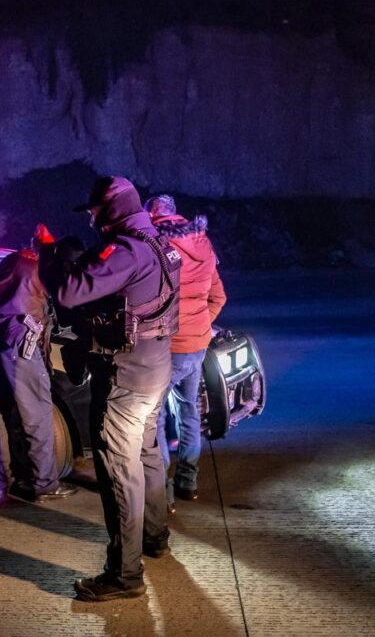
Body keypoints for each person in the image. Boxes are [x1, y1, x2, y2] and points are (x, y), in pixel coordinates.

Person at [40, 176, 181, 602]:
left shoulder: (125, 251)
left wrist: (48, 251)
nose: (92, 219)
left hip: (126, 373)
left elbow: (67, 290)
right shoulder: (158, 241)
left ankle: (124, 575)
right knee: (149, 453)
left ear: (111, 209)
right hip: (156, 364)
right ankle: (154, 538)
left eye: (95, 211)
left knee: (119, 468)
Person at [0, 227, 78, 502]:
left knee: (0, 416)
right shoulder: (42, 268)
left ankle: (3, 482)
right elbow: (66, 298)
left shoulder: (14, 260)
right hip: (19, 341)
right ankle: (44, 484)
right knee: (37, 414)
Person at [144, 194, 226, 512]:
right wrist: (201, 328)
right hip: (198, 346)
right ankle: (188, 482)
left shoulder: (156, 246)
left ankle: (161, 492)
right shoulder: (203, 244)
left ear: (153, 216)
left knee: (155, 417)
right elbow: (218, 296)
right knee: (189, 412)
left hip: (169, 347)